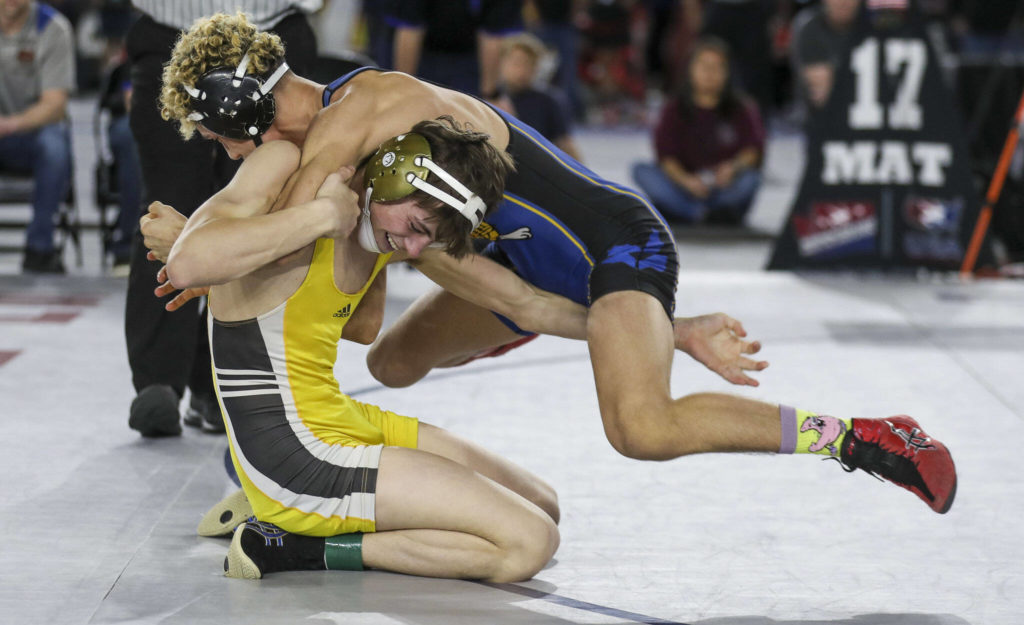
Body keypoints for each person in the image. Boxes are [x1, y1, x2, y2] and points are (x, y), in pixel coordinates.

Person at [148, 13, 957, 540]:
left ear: (233, 113)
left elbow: (273, 228)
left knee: (641, 426)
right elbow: (342, 297)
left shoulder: (355, 110)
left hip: (614, 242)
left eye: (217, 140)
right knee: (391, 359)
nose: (228, 156)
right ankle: (599, 327)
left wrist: (193, 242)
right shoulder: (361, 161)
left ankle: (863, 437)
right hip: (497, 254)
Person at [161, 112, 561, 580]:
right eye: (414, 225)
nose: (413, 249)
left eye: (425, 238)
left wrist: (374, 240)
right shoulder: (287, 170)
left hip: (333, 417)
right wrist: (322, 216)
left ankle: (291, 514)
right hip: (295, 457)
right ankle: (305, 545)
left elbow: (363, 327)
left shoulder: (375, 230)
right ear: (390, 175)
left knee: (543, 505)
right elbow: (188, 263)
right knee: (529, 543)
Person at [122, 1, 319, 437]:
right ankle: (158, 380)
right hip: (170, 32)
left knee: (269, 209)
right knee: (168, 208)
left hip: (270, 40)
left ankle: (224, 380)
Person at [631, 36, 765, 225]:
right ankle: (700, 214)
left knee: (751, 179)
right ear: (691, 70)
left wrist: (732, 168)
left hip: (724, 187)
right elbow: (665, 157)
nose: (710, 73)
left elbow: (753, 150)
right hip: (684, 186)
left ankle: (696, 212)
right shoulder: (674, 108)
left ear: (727, 72)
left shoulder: (742, 108)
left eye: (717, 67)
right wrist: (687, 181)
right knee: (641, 171)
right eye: (704, 66)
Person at [0, 0, 75, 274]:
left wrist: (8, 124)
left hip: (31, 135)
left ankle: (39, 248)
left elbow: (54, 105)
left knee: (54, 147)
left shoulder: (53, 28)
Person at [387, 0, 523, 98]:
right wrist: (403, 87)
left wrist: (491, 94)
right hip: (425, 57)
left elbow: (492, 38)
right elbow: (410, 30)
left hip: (469, 63)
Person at [496, 32, 582, 161]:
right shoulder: (486, 99)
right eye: (517, 63)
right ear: (501, 63)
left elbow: (565, 143)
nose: (523, 70)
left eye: (530, 64)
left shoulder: (549, 100)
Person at [790, 0, 860, 115]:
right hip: (826, 121)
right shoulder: (811, 28)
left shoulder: (874, 27)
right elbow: (821, 97)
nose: (843, 2)